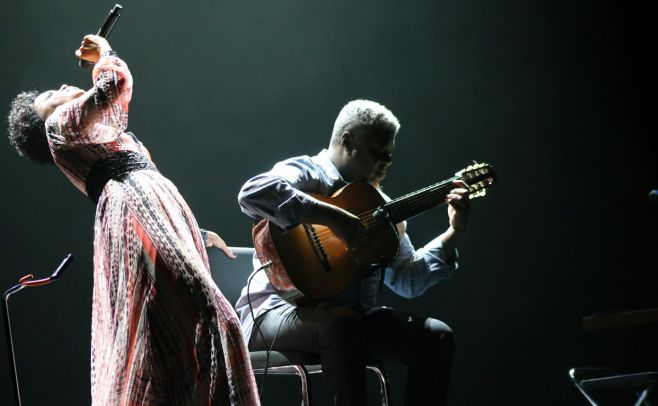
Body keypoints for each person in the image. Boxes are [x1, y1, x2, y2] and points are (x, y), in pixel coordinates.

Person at [7, 35, 260, 405]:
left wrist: (194, 230)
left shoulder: (96, 136)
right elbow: (114, 85)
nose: (61, 87)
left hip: (150, 208)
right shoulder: (58, 126)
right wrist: (104, 54)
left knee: (172, 329)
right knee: (210, 315)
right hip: (133, 208)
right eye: (49, 96)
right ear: (42, 120)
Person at [235, 99, 471, 405]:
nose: (386, 162)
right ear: (348, 141)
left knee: (436, 337)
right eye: (379, 151)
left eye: (390, 154)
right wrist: (334, 217)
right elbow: (252, 193)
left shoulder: (379, 205)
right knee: (344, 323)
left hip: (346, 323)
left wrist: (454, 232)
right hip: (277, 314)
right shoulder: (307, 173)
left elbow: (407, 280)